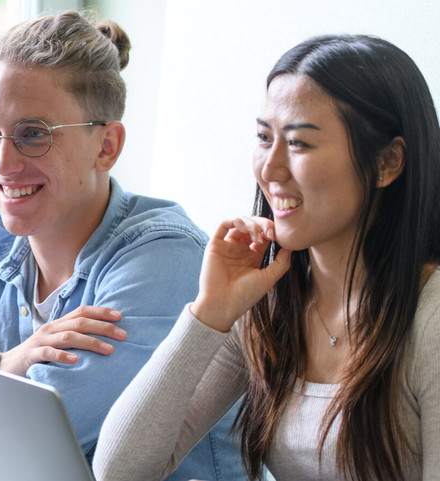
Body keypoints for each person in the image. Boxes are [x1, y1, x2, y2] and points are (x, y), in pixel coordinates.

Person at [0, 10, 243, 480]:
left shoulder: (164, 260)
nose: (3, 162)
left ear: (107, 147)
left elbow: (19, 449)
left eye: (33, 134)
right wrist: (11, 364)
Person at [93, 33, 440, 481]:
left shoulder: (430, 321)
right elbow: (120, 469)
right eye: (263, 137)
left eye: (299, 144)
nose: (270, 170)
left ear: (387, 162)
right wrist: (208, 313)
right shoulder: (268, 305)